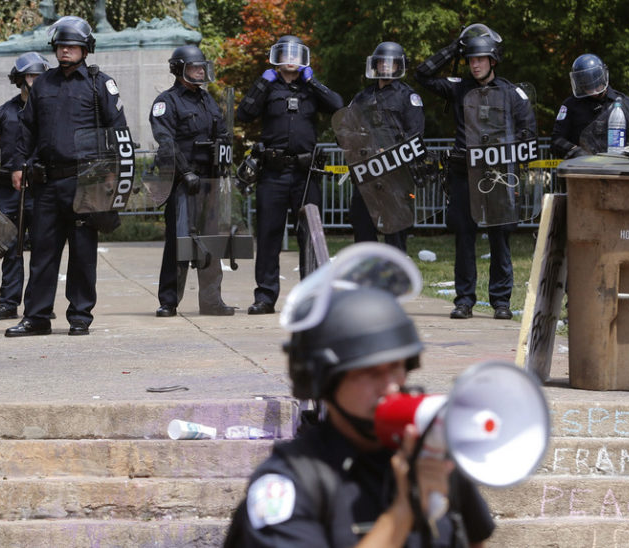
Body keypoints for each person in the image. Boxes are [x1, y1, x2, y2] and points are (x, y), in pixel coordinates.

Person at [225, 287, 494, 546]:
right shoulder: (289, 483)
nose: (390, 386)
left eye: (397, 367)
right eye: (370, 373)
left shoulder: (433, 452)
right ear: (325, 382)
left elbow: (473, 540)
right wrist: (404, 510)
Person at [5, 16, 127, 337]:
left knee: (83, 253)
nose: (65, 52)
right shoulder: (43, 84)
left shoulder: (100, 83)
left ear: (86, 49)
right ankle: (37, 317)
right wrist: (19, 165)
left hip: (86, 182)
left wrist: (113, 180)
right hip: (47, 183)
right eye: (60, 46)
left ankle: (80, 316)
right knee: (43, 252)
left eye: (72, 46)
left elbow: (118, 131)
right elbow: (27, 128)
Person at [415, 28, 535, 321]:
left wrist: (505, 152)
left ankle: (501, 301)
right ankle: (465, 300)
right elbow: (422, 75)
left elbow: (528, 131)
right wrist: (453, 48)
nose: (475, 65)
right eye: (470, 59)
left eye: (481, 59)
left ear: (493, 61)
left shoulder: (511, 93)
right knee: (464, 237)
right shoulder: (459, 88)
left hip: (497, 175)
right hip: (462, 175)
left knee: (499, 237)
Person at [235, 35, 343, 315]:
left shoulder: (309, 89)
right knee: (269, 236)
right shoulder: (269, 87)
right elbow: (244, 113)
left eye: (296, 55)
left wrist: (313, 81)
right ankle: (265, 297)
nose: (291, 59)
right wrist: (263, 81)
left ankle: (311, 297)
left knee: (309, 236)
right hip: (272, 173)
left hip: (305, 174)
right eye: (286, 53)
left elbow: (338, 105)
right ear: (277, 57)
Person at [150, 45, 235, 317]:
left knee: (212, 240)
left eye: (202, 67)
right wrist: (185, 172)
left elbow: (222, 133)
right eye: (195, 67)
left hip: (209, 179)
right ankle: (168, 301)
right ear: (179, 69)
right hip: (183, 181)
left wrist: (223, 156)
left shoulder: (207, 100)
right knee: (179, 240)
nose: (201, 71)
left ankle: (211, 301)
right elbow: (166, 142)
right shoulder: (167, 102)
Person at [0, 52, 49, 321]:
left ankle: (39, 306)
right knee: (9, 248)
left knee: (44, 250)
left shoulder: (50, 110)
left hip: (41, 189)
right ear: (20, 79)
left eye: (40, 76)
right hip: (8, 191)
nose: (35, 81)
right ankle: (8, 303)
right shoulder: (4, 112)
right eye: (31, 75)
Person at [348, 42, 423, 253]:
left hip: (396, 176)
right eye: (381, 62)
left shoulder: (409, 97)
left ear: (399, 65)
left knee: (396, 236)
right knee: (362, 231)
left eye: (391, 62)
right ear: (375, 65)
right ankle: (367, 280)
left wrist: (389, 152)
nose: (385, 66)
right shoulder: (362, 97)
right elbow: (344, 131)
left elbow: (415, 136)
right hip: (367, 175)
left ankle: (395, 282)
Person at [550, 53, 629, 158]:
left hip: (617, 167)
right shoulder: (571, 105)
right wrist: (575, 151)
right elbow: (556, 141)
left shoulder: (626, 104)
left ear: (603, 78)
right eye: (588, 86)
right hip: (582, 168)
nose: (593, 91)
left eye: (596, 85)